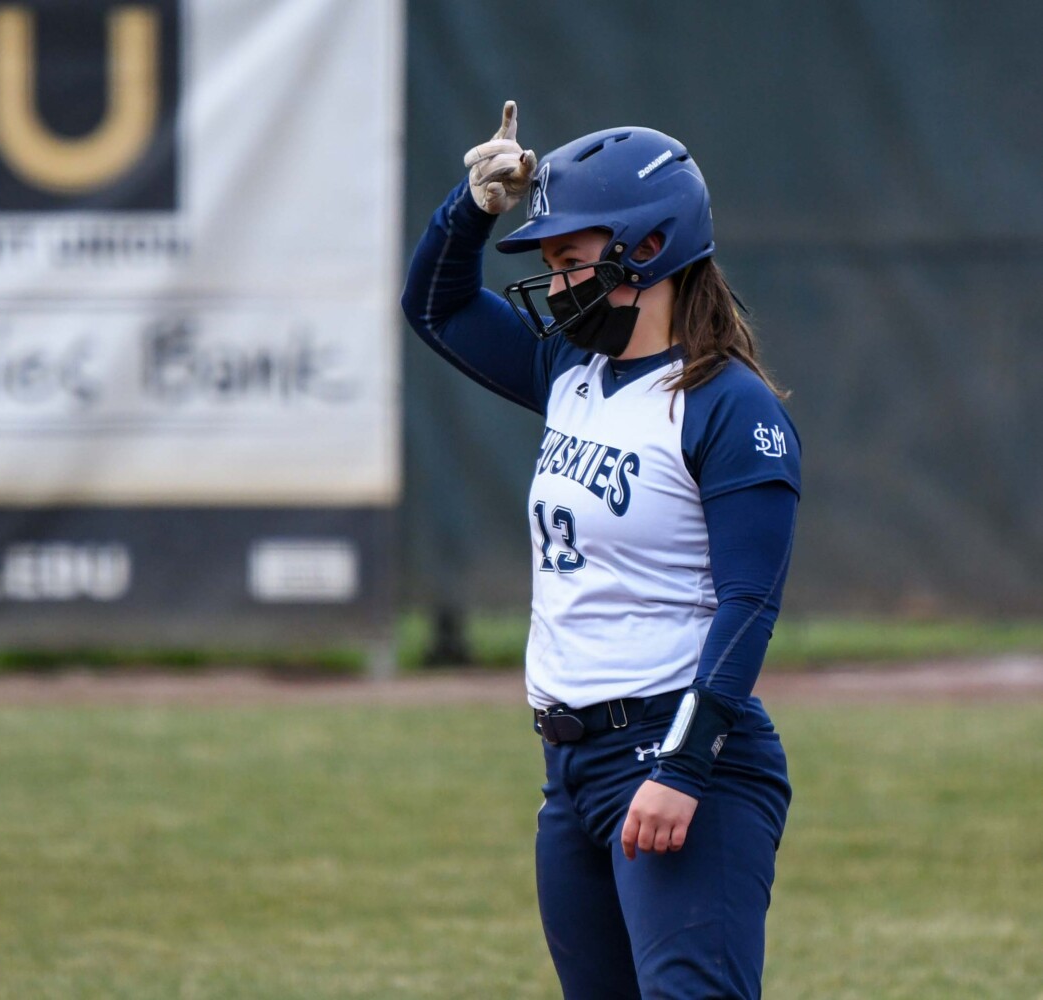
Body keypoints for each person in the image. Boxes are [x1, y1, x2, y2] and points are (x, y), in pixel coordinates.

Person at [401, 101, 801, 999]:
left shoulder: (728, 406)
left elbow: (749, 603)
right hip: (569, 767)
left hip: (679, 754)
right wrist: (469, 210)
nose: (556, 281)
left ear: (648, 250)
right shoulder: (572, 375)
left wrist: (686, 765)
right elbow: (434, 307)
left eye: (571, 258)